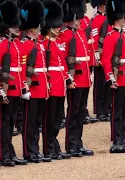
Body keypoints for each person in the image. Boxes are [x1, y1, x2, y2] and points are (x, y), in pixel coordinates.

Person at [59, 0, 94, 157]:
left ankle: (78, 142)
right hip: (75, 80)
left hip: (85, 79)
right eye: (78, 19)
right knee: (73, 112)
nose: (80, 22)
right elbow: (63, 59)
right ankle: (70, 144)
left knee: (80, 112)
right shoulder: (65, 35)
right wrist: (68, 78)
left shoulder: (80, 33)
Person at [19, 0, 51, 163]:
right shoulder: (24, 45)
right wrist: (25, 86)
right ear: (32, 27)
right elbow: (23, 68)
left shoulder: (40, 44)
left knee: (37, 121)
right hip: (32, 88)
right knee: (29, 122)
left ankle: (35, 149)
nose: (40, 28)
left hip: (42, 88)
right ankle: (28, 151)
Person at [41, 0, 74, 160]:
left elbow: (64, 65)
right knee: (50, 117)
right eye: (55, 26)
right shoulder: (43, 44)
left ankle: (54, 144)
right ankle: (48, 148)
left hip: (61, 84)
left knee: (58, 117)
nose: (58, 29)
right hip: (51, 85)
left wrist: (68, 80)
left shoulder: (60, 43)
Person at [101, 0, 125, 146]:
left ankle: (122, 135)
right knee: (118, 110)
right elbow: (106, 60)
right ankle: (116, 136)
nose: (124, 21)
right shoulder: (111, 37)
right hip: (119, 77)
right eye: (122, 18)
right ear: (116, 19)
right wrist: (111, 78)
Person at [0, 0, 28, 166]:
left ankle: (9, 151)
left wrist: (23, 86)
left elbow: (21, 69)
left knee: (11, 123)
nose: (18, 28)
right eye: (14, 25)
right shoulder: (3, 44)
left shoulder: (16, 44)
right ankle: (4, 154)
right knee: (4, 122)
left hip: (16, 88)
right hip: (6, 89)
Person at [90, 0, 112, 122]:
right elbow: (94, 40)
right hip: (101, 56)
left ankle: (107, 108)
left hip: (109, 56)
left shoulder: (108, 18)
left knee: (109, 82)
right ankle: (99, 110)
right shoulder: (97, 19)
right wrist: (97, 57)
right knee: (100, 85)